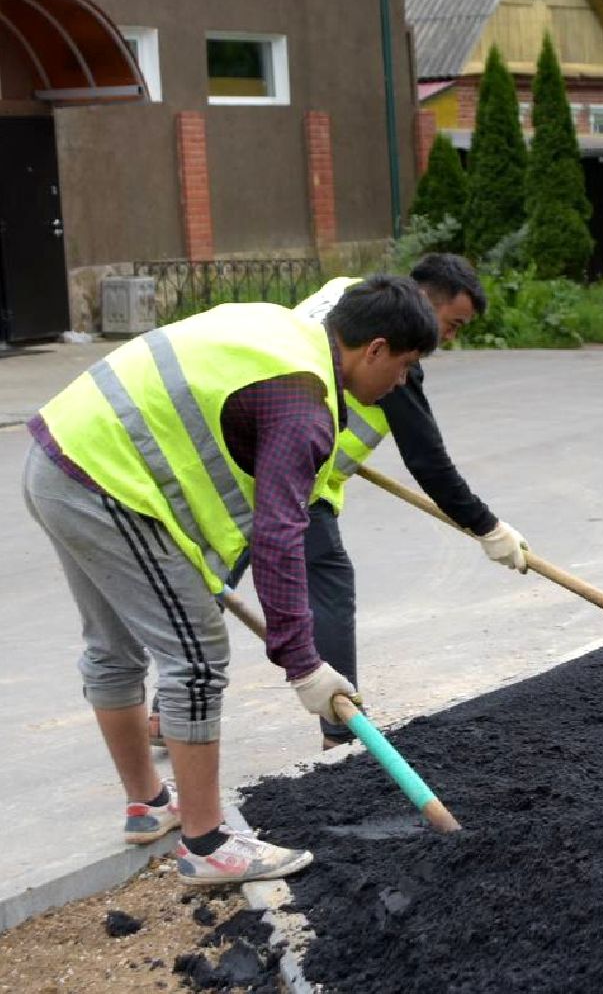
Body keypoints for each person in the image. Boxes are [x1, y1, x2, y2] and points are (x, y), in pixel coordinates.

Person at [23, 275, 439, 886]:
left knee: (112, 649)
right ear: (374, 348)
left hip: (60, 457)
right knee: (196, 654)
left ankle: (148, 805)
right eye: (404, 365)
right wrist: (303, 664)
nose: (402, 382)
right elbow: (277, 538)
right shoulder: (306, 404)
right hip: (105, 483)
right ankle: (205, 843)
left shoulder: (284, 331)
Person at [259, 253, 527, 751]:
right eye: (453, 325)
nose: (448, 340)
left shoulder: (345, 292)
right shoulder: (387, 350)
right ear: (425, 300)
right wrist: (487, 528)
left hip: (259, 449)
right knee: (328, 581)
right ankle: (343, 730)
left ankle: (168, 715)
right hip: (290, 475)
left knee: (212, 578)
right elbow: (428, 462)